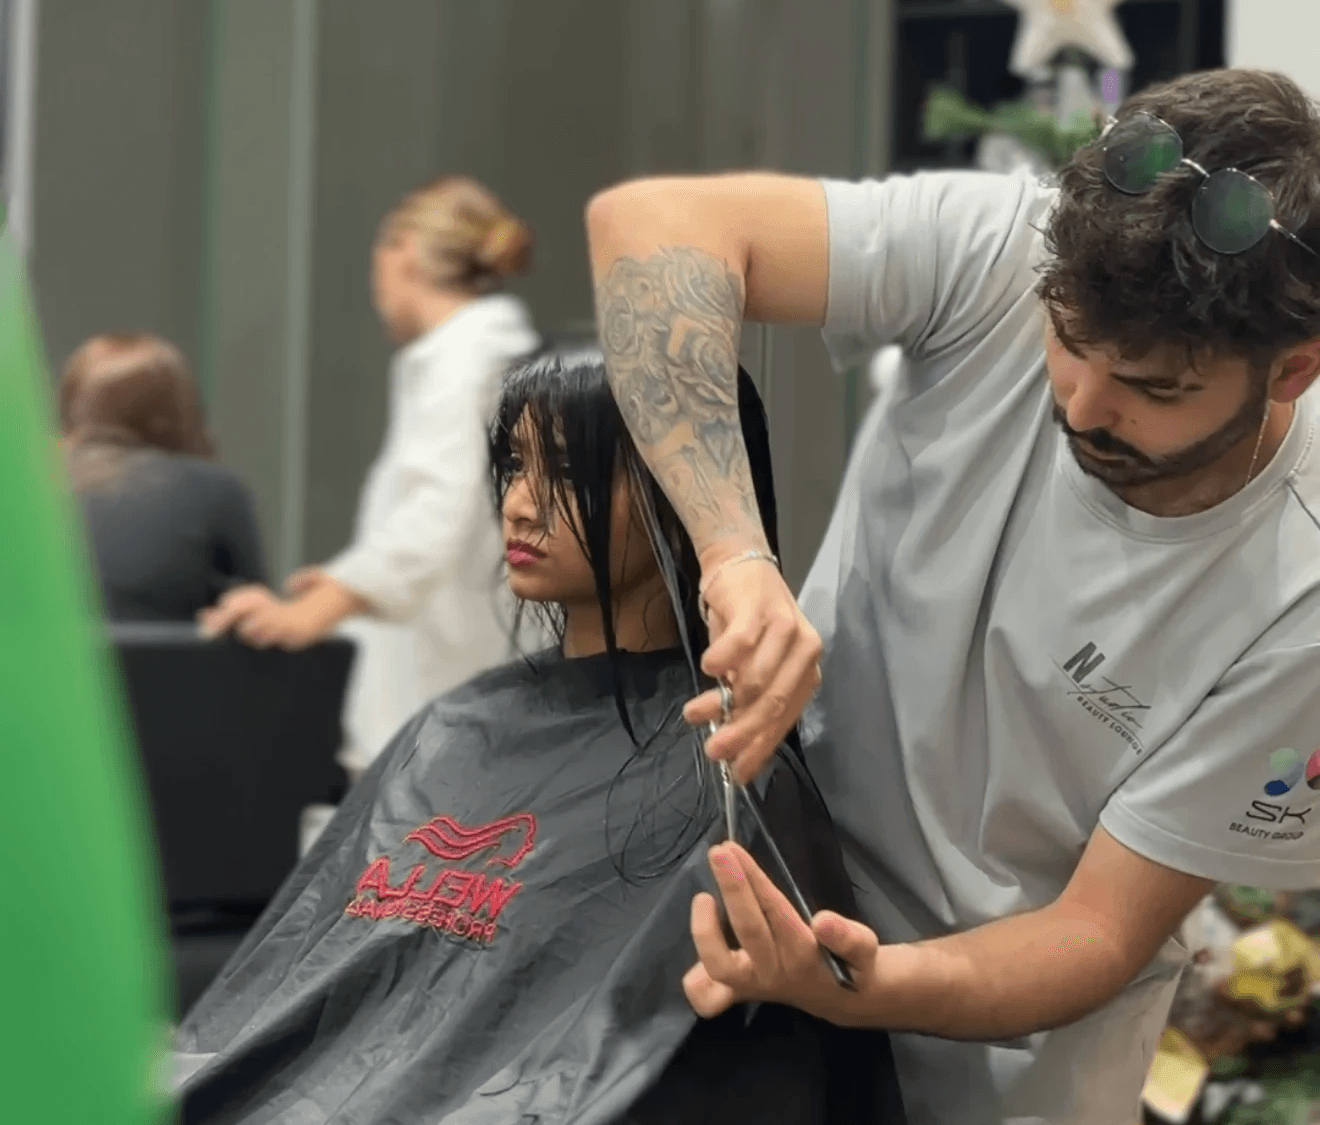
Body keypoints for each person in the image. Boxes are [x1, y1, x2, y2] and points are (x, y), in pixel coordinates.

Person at [584, 68, 1320, 1124]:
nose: (1083, 402)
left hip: (1005, 1074)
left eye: (1154, 387)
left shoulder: (1301, 595)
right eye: (1067, 340)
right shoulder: (1005, 249)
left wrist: (861, 983)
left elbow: (1096, 933)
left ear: (1292, 370)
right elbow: (654, 224)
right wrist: (734, 554)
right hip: (775, 948)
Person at [171, 346, 905, 1124]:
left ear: (683, 489)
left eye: (563, 467)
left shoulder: (727, 764)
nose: (520, 503)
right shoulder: (454, 728)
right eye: (515, 465)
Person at [200, 176, 540, 773]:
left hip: (449, 711)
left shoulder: (466, 363)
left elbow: (437, 512)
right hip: (454, 700)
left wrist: (319, 607)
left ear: (404, 249)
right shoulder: (469, 358)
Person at [60, 332, 265, 621]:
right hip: (167, 665)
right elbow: (255, 616)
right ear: (179, 410)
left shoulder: (27, 490)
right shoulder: (215, 493)